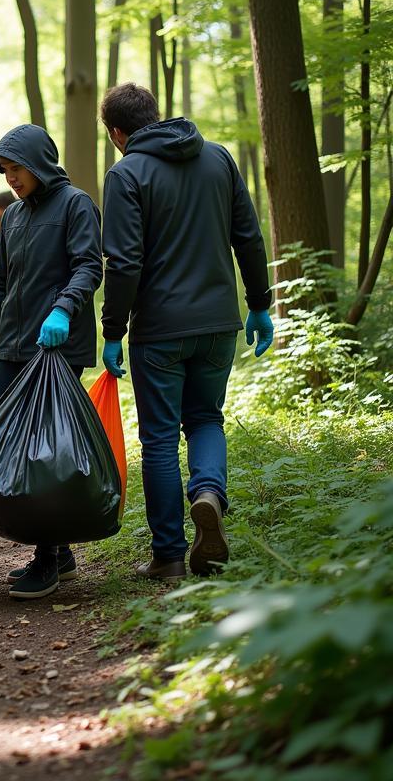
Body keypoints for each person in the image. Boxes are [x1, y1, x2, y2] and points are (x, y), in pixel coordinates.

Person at [99, 83, 273, 580]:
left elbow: (125, 262)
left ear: (116, 132)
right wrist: (260, 305)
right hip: (220, 323)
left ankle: (169, 557)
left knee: (157, 440)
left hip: (159, 331)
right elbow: (249, 237)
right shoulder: (218, 158)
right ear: (155, 115)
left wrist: (113, 329)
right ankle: (209, 493)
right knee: (205, 420)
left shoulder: (126, 173)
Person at [0, 124, 102, 600]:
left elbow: (89, 266)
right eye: (5, 170)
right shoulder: (15, 216)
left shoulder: (76, 205)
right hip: (13, 347)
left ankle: (45, 558)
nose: (10, 179)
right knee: (8, 447)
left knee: (43, 454)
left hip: (55, 349)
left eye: (16, 168)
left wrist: (63, 308)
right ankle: (58, 554)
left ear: (39, 163)